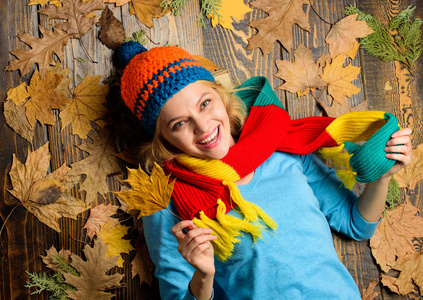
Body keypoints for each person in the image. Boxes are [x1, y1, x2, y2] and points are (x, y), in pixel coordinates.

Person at [117, 41, 412, 300]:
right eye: (179, 123)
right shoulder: (169, 203)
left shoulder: (281, 148)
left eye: (205, 104)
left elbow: (356, 224)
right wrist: (203, 277)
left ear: (222, 97)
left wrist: (381, 178)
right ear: (163, 139)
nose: (203, 126)